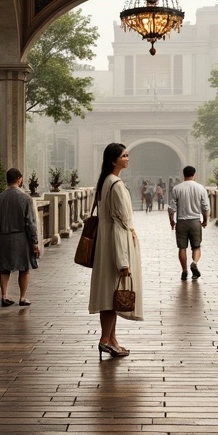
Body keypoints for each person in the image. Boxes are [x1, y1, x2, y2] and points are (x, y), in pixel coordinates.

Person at [89, 142, 143, 357]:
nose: (127, 158)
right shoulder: (116, 185)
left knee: (109, 294)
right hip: (116, 245)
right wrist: (123, 261)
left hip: (106, 242)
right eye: (124, 155)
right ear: (114, 160)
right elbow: (121, 225)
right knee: (113, 295)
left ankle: (112, 339)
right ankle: (105, 339)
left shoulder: (105, 182)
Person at [0, 167, 41, 307]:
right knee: (24, 269)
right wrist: (34, 242)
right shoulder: (25, 198)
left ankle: (4, 295)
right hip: (21, 238)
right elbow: (30, 222)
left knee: (4, 269)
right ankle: (23, 297)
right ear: (19, 179)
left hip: (4, 237)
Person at [169, 165, 210, 280]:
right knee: (196, 246)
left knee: (182, 248)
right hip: (195, 221)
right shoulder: (200, 188)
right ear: (194, 174)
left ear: (183, 174)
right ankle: (195, 263)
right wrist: (205, 220)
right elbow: (205, 207)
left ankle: (184, 271)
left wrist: (172, 221)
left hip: (181, 221)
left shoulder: (177, 188)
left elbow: (172, 208)